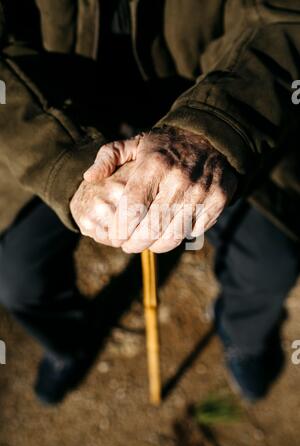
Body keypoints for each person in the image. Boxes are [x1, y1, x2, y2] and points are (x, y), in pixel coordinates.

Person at [0, 0, 299, 404]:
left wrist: (213, 128)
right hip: (59, 124)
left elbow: (288, 18)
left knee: (271, 264)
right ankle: (68, 342)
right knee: (17, 277)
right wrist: (66, 168)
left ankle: (242, 335)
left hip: (215, 99)